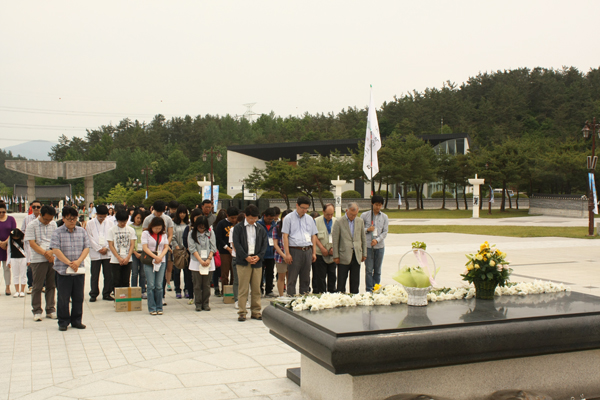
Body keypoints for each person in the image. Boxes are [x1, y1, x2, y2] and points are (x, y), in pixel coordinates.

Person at [50, 207, 90, 331]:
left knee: (78, 297)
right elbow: (55, 249)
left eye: (74, 219)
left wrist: (78, 262)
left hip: (78, 270)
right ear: (63, 219)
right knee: (63, 297)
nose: (72, 221)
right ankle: (63, 321)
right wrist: (69, 263)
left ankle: (77, 320)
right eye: (69, 219)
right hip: (63, 270)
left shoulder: (82, 231)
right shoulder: (57, 232)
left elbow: (86, 247)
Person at [232, 205, 268, 321]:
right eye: (251, 218)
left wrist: (259, 256)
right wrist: (245, 257)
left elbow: (264, 244)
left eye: (255, 218)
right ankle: (242, 312)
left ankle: (256, 311)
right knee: (243, 288)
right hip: (243, 261)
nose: (253, 220)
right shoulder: (238, 228)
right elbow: (237, 244)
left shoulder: (260, 228)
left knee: (256, 288)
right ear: (245, 216)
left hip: (257, 260)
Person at [24, 205, 57, 321]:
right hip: (38, 259)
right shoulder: (32, 225)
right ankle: (37, 310)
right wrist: (45, 253)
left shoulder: (53, 224)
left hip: (51, 258)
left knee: (51, 285)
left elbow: (56, 240)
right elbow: (32, 243)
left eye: (50, 219)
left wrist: (51, 253)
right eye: (46, 219)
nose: (48, 222)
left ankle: (50, 309)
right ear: (41, 215)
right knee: (37, 286)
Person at [282, 196, 318, 296]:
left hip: (307, 250)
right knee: (292, 278)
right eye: (302, 208)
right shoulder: (288, 218)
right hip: (294, 250)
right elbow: (285, 236)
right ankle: (291, 298)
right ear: (297, 205)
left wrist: (314, 252)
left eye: (306, 208)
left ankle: (304, 298)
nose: (304, 210)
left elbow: (313, 236)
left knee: (306, 278)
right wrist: (287, 254)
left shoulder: (310, 219)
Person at [332, 203, 367, 294]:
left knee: (355, 280)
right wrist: (336, 255)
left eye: (355, 215)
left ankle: (354, 297)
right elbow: (335, 240)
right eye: (351, 214)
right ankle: (340, 297)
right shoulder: (339, 222)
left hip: (356, 255)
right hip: (343, 255)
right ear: (347, 211)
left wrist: (364, 253)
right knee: (341, 280)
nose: (353, 217)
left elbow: (363, 238)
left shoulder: (360, 221)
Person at [142, 201, 174, 292]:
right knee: (151, 277)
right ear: (153, 209)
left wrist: (166, 244)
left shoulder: (167, 219)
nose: (159, 214)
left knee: (162, 274)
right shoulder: (148, 219)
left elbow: (170, 234)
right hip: (150, 250)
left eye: (161, 212)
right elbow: (145, 233)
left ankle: (161, 294)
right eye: (157, 212)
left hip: (163, 249)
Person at [86, 205, 115, 301]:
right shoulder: (90, 223)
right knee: (95, 274)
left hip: (107, 252)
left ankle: (107, 293)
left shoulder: (110, 223)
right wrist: (98, 248)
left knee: (108, 274)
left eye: (104, 216)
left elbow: (112, 237)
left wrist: (106, 247)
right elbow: (89, 237)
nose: (102, 218)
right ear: (96, 214)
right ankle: (93, 293)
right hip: (95, 252)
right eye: (100, 216)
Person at [188, 216, 216, 311]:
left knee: (206, 285)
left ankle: (206, 303)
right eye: (200, 227)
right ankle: (198, 303)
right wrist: (200, 260)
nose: (201, 229)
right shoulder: (192, 233)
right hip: (196, 262)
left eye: (203, 227)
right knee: (197, 285)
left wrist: (209, 259)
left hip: (208, 261)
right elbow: (192, 248)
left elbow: (213, 247)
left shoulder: (210, 233)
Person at [361, 195, 389, 293]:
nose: (378, 207)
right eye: (376, 204)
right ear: (372, 203)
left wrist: (377, 240)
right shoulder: (365, 215)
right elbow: (359, 229)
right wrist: (367, 229)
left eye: (380, 205)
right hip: (368, 247)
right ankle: (369, 290)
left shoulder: (384, 217)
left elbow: (385, 232)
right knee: (369, 270)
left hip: (379, 247)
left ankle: (376, 289)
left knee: (377, 270)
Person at [141, 217, 169, 315]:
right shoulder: (146, 233)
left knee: (159, 285)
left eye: (159, 228)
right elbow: (145, 248)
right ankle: (152, 307)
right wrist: (155, 257)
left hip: (161, 260)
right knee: (151, 285)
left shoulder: (163, 235)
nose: (157, 230)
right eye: (156, 228)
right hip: (150, 260)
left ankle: (159, 307)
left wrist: (160, 257)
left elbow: (166, 247)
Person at [108, 210, 136, 289]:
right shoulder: (112, 230)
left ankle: (125, 296)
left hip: (127, 259)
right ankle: (117, 296)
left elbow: (132, 244)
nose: (123, 223)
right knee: (116, 281)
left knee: (126, 281)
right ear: (117, 220)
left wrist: (128, 257)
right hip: (115, 260)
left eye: (125, 221)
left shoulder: (131, 230)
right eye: (121, 221)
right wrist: (118, 258)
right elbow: (111, 245)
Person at [313, 203, 337, 294]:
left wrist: (334, 248)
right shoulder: (316, 221)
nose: (330, 216)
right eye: (327, 214)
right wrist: (322, 248)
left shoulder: (336, 221)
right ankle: (321, 294)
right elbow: (314, 236)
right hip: (320, 253)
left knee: (332, 275)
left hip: (332, 253)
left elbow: (339, 237)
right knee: (320, 276)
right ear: (323, 211)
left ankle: (332, 293)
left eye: (331, 214)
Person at [215, 207, 238, 297]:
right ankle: (224, 291)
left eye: (235, 217)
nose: (234, 220)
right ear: (227, 216)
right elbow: (219, 238)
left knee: (234, 272)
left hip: (235, 251)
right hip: (224, 251)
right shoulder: (221, 224)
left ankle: (233, 290)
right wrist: (228, 248)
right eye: (232, 218)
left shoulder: (238, 224)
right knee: (225, 272)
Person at [22, 199, 42, 294]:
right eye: (34, 207)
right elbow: (22, 231)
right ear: (31, 208)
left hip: (41, 245)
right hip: (29, 245)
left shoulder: (43, 218)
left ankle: (42, 285)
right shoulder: (27, 219)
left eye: (38, 207)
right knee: (30, 266)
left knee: (42, 266)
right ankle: (31, 285)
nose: (36, 208)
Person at [182, 209, 202, 305]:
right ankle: (191, 295)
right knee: (190, 277)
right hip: (191, 256)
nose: (198, 219)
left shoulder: (206, 228)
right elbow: (185, 240)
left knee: (201, 277)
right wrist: (190, 249)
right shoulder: (189, 228)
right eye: (196, 217)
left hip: (203, 256)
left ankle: (200, 296)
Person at [171, 205, 190, 299]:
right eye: (180, 213)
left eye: (184, 213)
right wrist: (177, 247)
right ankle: (177, 290)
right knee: (177, 271)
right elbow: (172, 237)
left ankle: (187, 289)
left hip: (187, 250)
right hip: (177, 250)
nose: (182, 215)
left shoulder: (188, 224)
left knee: (187, 271)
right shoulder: (174, 224)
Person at [257, 208, 277, 297]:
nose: (270, 221)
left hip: (271, 253)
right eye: (269, 219)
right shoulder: (258, 224)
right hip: (261, 253)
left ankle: (269, 290)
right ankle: (259, 290)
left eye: (272, 219)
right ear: (264, 216)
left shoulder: (275, 225)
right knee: (259, 273)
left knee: (270, 273)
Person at [273, 209, 292, 298]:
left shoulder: (294, 228)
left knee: (290, 277)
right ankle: (281, 296)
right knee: (281, 277)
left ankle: (290, 295)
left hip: (292, 256)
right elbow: (275, 244)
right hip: (280, 256)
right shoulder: (276, 228)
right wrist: (284, 255)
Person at [229, 212, 246, 309]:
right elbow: (234, 244)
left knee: (245, 280)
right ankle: (236, 299)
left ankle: (245, 300)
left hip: (247, 258)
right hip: (237, 257)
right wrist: (241, 254)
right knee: (237, 280)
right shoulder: (233, 229)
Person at [0, 201, 17, 295]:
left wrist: (6, 242)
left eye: (3, 212)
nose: (2, 214)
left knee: (6, 268)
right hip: (0, 245)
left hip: (7, 247)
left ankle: (7, 287)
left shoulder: (11, 219)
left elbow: (13, 232)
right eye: (0, 212)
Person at [130, 209, 146, 298]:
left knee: (143, 273)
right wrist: (135, 252)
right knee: (134, 272)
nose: (139, 220)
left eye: (140, 218)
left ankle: (142, 290)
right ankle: (134, 291)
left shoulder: (144, 227)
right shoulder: (130, 227)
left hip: (143, 251)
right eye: (137, 218)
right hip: (133, 252)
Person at [7, 228, 27, 297]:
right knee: (15, 275)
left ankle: (22, 290)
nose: (15, 238)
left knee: (23, 275)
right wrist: (8, 261)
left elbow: (27, 248)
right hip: (13, 258)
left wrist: (28, 259)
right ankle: (17, 291)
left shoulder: (23, 238)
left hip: (23, 257)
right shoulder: (10, 239)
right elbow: (9, 250)